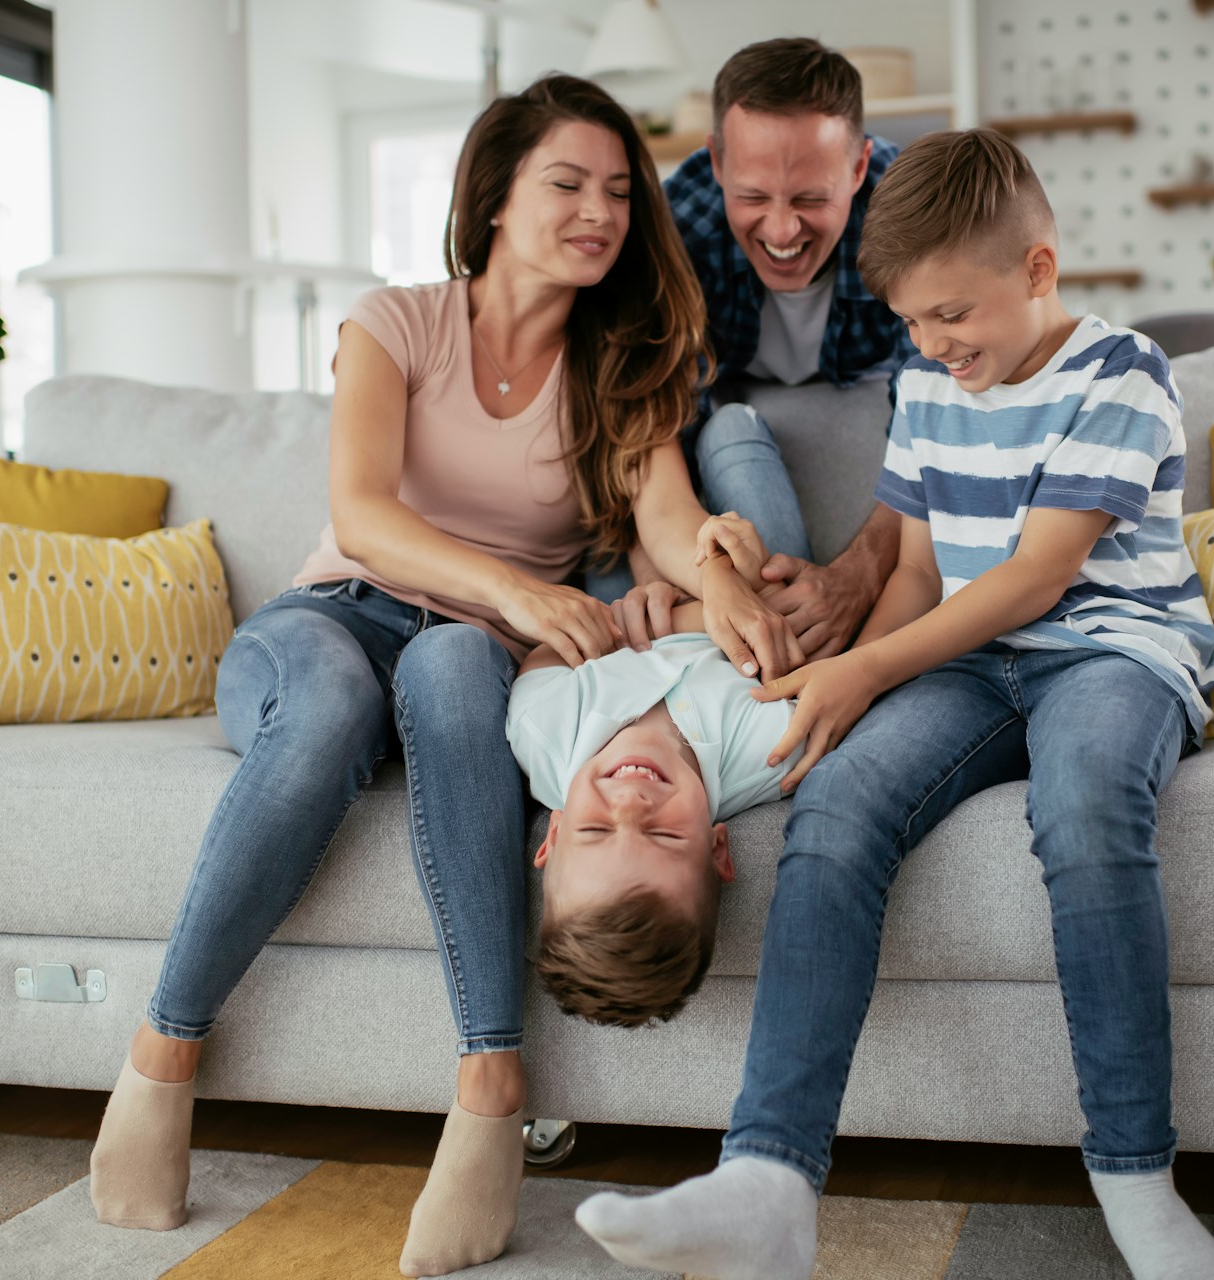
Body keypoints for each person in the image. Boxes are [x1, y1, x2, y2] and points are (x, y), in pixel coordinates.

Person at [84, 74, 798, 1280]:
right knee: (330, 709)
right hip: (330, 622)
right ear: (494, 195)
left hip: (471, 655)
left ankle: (489, 1075)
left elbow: (667, 514)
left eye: (620, 191)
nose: (601, 211)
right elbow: (361, 514)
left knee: (459, 657)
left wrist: (718, 576)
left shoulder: (619, 362)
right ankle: (163, 1052)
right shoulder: (398, 322)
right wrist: (520, 586)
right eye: (566, 183)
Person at [573, 129, 1214, 1280]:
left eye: (953, 316)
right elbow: (922, 576)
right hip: (972, 659)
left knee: (1084, 808)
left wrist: (865, 669)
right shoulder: (927, 383)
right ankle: (768, 1181)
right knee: (836, 804)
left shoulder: (1123, 370)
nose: (933, 343)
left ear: (1038, 271)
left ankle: (1137, 1182)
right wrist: (844, 692)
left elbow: (1035, 577)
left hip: (1111, 650)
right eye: (916, 323)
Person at [622, 37, 915, 662]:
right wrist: (658, 570)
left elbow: (948, 423)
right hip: (722, 418)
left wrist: (860, 574)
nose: (782, 230)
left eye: (812, 198)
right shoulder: (673, 231)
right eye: (753, 198)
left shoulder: (912, 217)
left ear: (860, 167)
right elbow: (646, 426)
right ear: (719, 164)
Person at [510, 553, 799, 1029]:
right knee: (761, 551)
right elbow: (783, 618)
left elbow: (546, 652)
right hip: (735, 577)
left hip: (608, 602)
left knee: (608, 548)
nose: (629, 804)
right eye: (663, 837)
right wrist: (683, 604)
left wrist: (639, 607)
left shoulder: (541, 731)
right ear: (717, 847)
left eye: (596, 828)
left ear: (555, 830)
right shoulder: (774, 750)